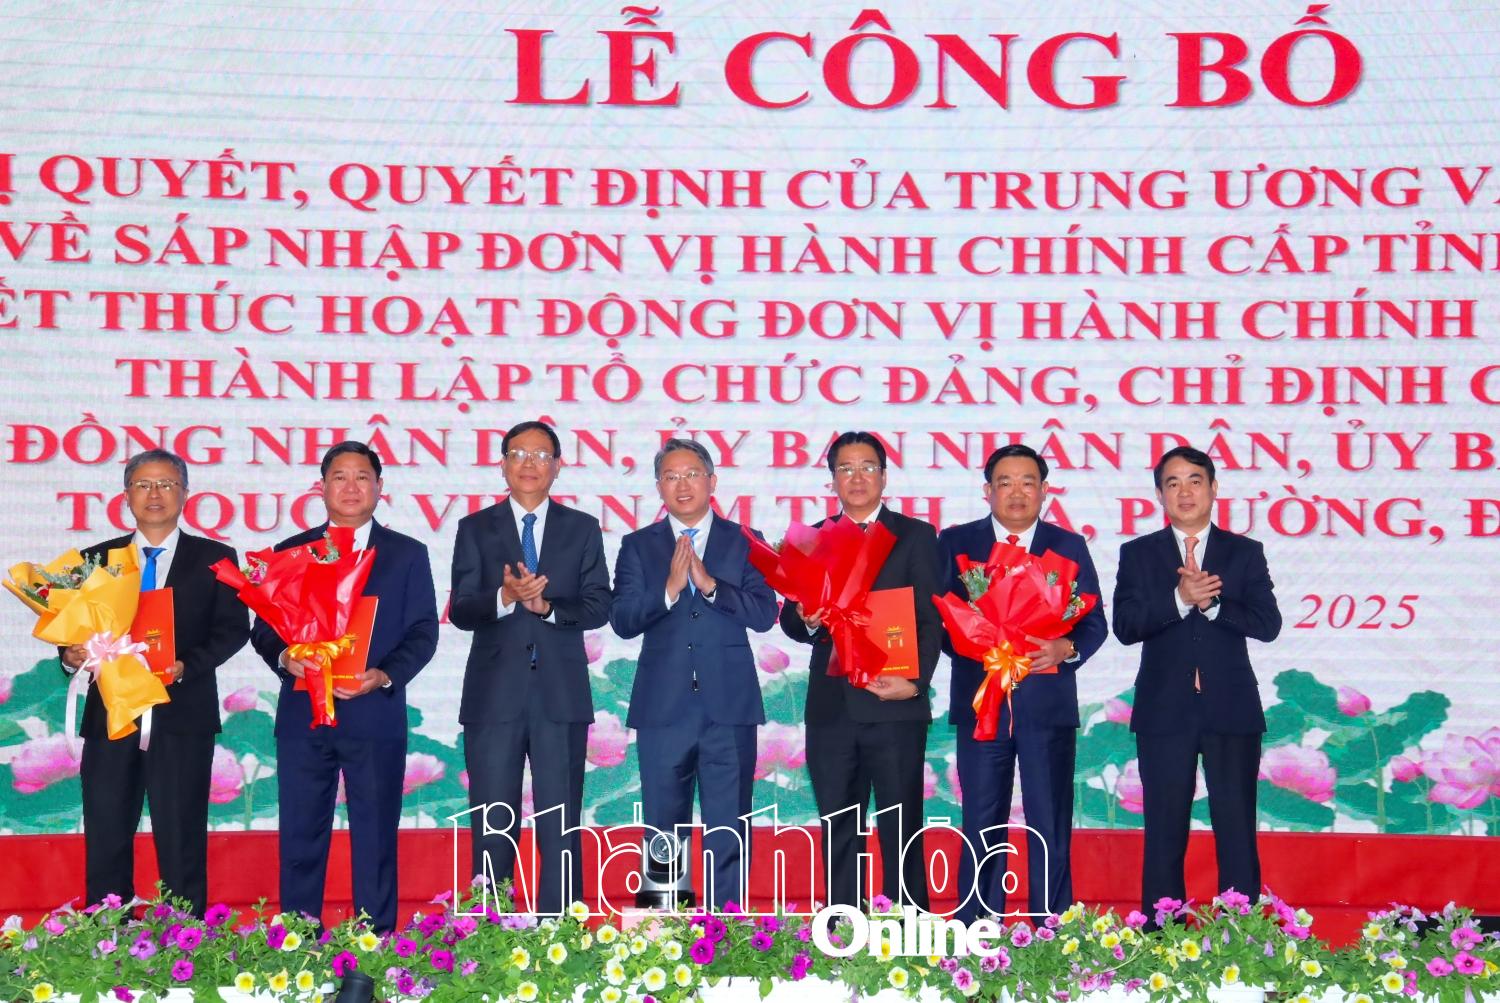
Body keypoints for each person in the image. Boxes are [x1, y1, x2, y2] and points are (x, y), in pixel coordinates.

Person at [250, 441, 439, 932]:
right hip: (303, 715)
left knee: (375, 837)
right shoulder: (291, 551)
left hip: (374, 714)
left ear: (379, 487)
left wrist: (384, 675)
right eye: (339, 477)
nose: (351, 487)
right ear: (321, 486)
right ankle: (298, 941)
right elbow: (265, 628)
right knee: (300, 835)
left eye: (362, 477)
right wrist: (286, 658)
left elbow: (423, 631)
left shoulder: (406, 554)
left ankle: (375, 945)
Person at [61, 449, 249, 914]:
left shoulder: (215, 558)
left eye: (166, 484)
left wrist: (186, 665)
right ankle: (106, 932)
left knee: (182, 833)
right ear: (126, 495)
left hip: (183, 716)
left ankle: (186, 935)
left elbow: (232, 630)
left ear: (185, 493)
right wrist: (70, 654)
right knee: (106, 829)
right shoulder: (95, 559)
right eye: (143, 484)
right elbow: (71, 632)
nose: (155, 494)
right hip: (111, 717)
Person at [1112, 445, 1281, 919]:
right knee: (1164, 831)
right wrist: (1179, 599)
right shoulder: (1138, 554)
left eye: (1194, 481)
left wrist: (1214, 605)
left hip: (1232, 709)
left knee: (1236, 828)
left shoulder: (1244, 552)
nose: (1184, 492)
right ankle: (1161, 936)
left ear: (1213, 488)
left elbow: (1268, 624)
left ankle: (1241, 935)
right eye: (1173, 483)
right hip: (1164, 711)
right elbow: (1125, 626)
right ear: (1159, 495)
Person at [940, 444, 1107, 921]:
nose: (1017, 492)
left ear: (1045, 490)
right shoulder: (957, 543)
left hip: (1046, 706)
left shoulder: (1067, 547)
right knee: (980, 820)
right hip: (982, 706)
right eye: (1006, 482)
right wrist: (983, 647)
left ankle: (1051, 930)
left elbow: (1094, 623)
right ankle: (975, 928)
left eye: (1028, 482)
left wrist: (1064, 648)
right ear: (988, 490)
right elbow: (940, 622)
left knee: (1049, 821)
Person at [450, 420, 611, 914]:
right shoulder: (475, 528)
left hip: (560, 696)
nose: (529, 463)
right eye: (518, 453)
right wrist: (504, 597)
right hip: (493, 696)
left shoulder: (581, 528)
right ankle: (490, 927)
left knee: (560, 822)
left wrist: (548, 608)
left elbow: (599, 605)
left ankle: (560, 926)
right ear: (502, 464)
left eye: (541, 455)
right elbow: (461, 610)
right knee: (492, 821)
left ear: (557, 467)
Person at [610, 438, 778, 908]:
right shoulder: (637, 545)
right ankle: (663, 930)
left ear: (711, 481)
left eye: (691, 474)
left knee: (730, 825)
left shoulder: (746, 540)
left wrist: (709, 585)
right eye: (671, 476)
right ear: (658, 486)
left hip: (729, 708)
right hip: (663, 708)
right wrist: (668, 589)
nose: (682, 485)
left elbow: (765, 613)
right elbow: (622, 620)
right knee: (663, 827)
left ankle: (726, 929)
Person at [779, 431, 943, 910]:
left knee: (902, 826)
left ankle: (909, 927)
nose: (857, 477)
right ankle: (843, 927)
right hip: (833, 708)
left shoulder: (915, 536)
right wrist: (807, 619)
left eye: (867, 467)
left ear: (884, 477)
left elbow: (931, 618)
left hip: (896, 702)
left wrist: (916, 684)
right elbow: (791, 618)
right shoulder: (812, 538)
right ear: (832, 480)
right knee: (839, 826)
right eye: (846, 468)